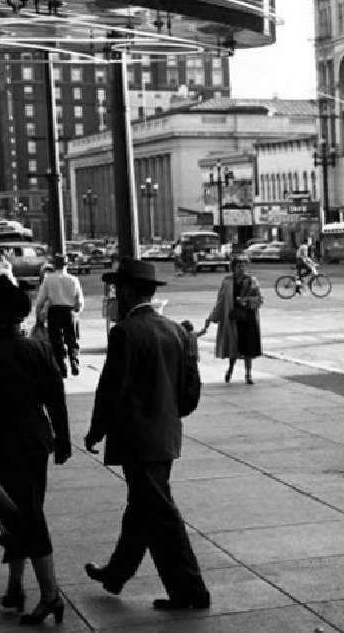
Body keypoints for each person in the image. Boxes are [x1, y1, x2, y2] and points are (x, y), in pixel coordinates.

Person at [83, 258, 209, 611]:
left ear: (125, 291)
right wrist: (168, 414)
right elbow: (189, 392)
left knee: (161, 515)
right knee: (143, 507)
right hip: (165, 436)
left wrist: (97, 430)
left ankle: (191, 591)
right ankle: (116, 573)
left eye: (114, 290)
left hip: (137, 439)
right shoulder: (175, 330)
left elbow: (111, 389)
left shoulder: (124, 332)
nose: (113, 296)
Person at [0, 275, 71, 625]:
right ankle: (15, 588)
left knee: (24, 517)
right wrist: (63, 440)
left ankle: (50, 595)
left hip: (0, 446)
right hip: (35, 442)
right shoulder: (38, 349)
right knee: (23, 513)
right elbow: (56, 397)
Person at [201, 257, 263, 385]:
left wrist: (246, 301)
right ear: (233, 267)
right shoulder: (227, 282)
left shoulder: (252, 281)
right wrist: (211, 317)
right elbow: (220, 302)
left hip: (248, 318)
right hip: (233, 319)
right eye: (239, 265)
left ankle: (248, 374)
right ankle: (230, 369)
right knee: (233, 348)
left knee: (248, 348)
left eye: (243, 265)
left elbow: (259, 299)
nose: (241, 268)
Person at [33, 254, 84, 377]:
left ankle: (62, 368)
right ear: (66, 265)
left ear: (54, 265)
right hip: (69, 312)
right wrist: (77, 311)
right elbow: (80, 301)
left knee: (56, 341)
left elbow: (40, 300)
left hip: (54, 312)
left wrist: (38, 317)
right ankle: (74, 361)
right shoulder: (73, 279)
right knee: (72, 339)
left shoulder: (48, 279)